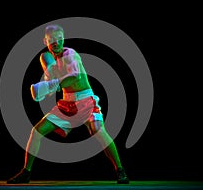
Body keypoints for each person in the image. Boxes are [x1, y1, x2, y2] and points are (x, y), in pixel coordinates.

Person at [7, 24, 129, 184]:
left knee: (98, 131)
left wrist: (51, 85)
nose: (56, 43)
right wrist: (45, 88)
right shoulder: (47, 59)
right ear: (45, 41)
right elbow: (51, 84)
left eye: (59, 39)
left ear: (63, 39)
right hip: (67, 103)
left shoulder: (70, 54)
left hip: (85, 101)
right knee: (37, 131)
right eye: (52, 40)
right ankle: (26, 172)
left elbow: (75, 77)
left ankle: (120, 170)